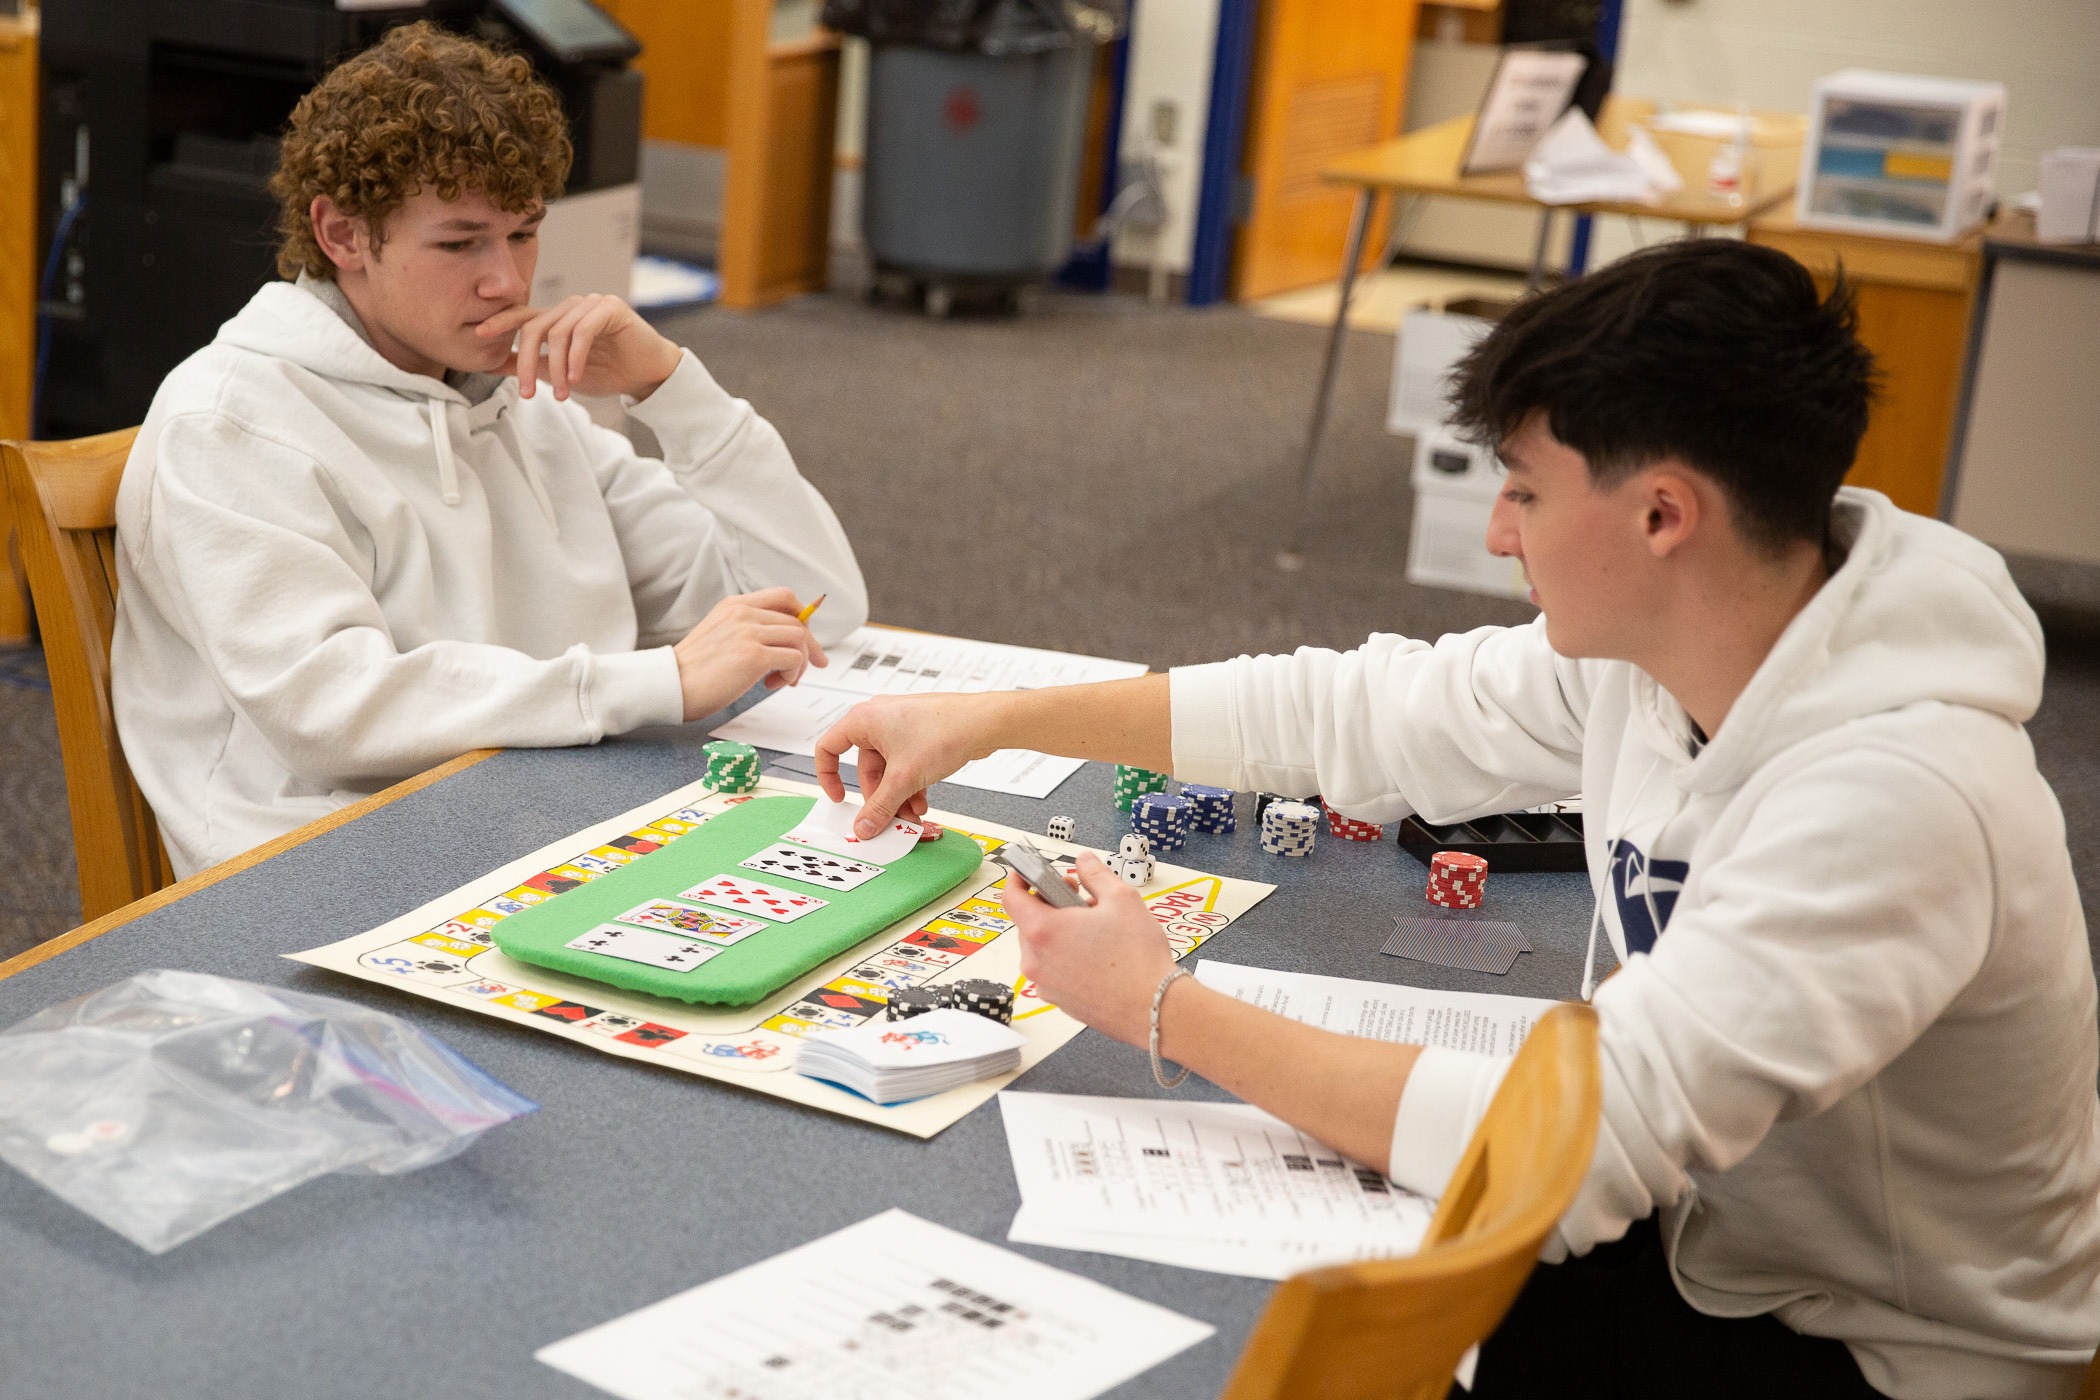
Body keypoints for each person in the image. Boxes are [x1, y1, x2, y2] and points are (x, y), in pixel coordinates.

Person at [815, 241, 2100, 1398]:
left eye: (1527, 493)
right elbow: (1349, 712)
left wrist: (1162, 1003)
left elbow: (1559, 1153)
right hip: (1722, 1236)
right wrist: (993, 715)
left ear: (1663, 514)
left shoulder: (1896, 799)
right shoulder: (1667, 644)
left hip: (1883, 1348)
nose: (1497, 532)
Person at [113, 23, 866, 877]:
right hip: (326, 872)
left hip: (545, 822)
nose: (507, 281)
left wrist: (670, 389)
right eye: (460, 241)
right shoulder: (227, 421)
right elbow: (329, 711)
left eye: (522, 233)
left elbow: (817, 608)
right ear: (343, 235)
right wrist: (652, 683)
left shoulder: (514, 403)